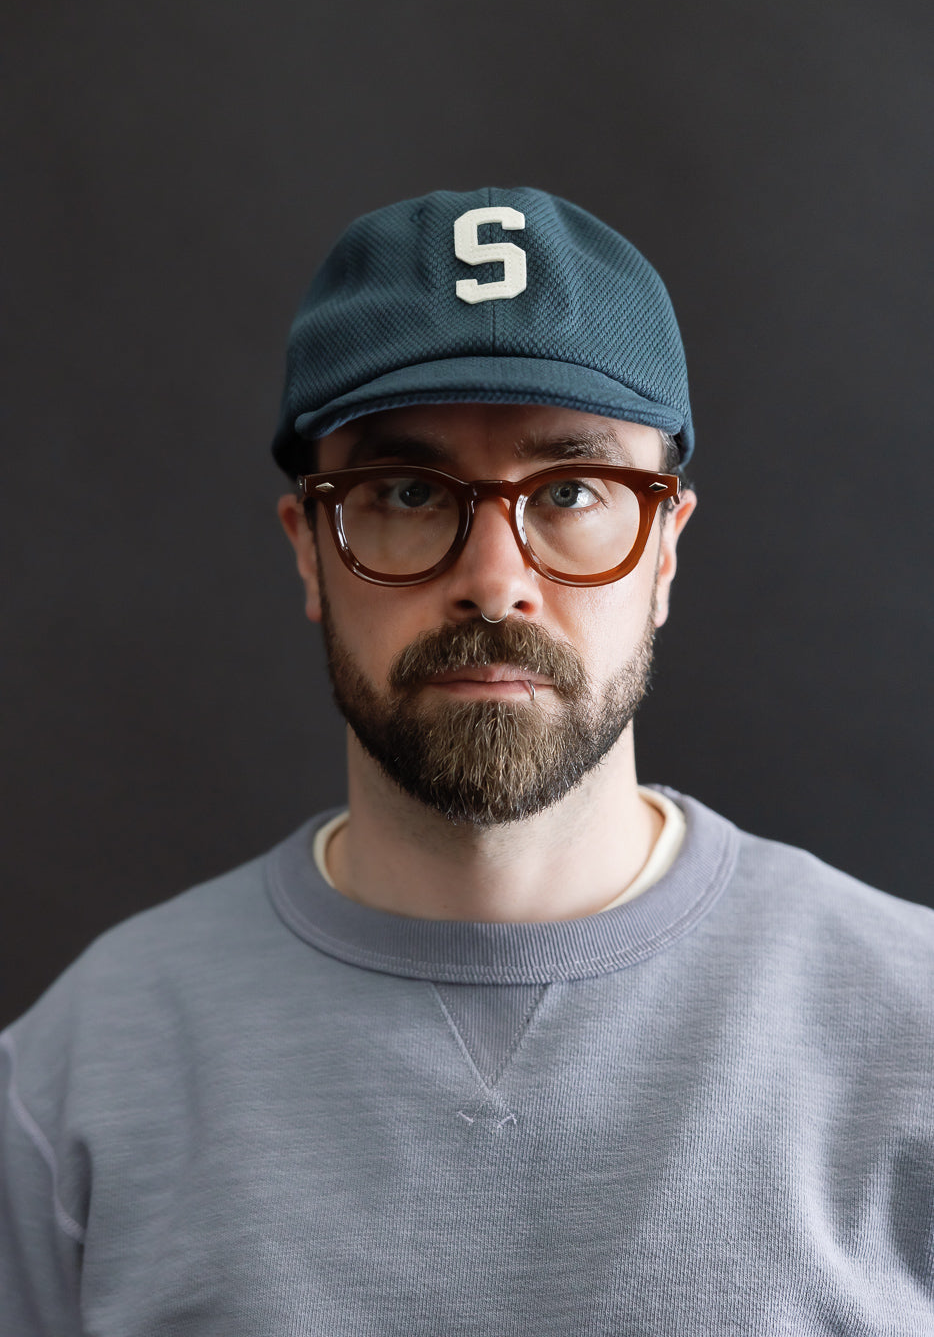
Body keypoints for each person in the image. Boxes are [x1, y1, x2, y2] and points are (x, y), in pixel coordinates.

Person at [1, 187, 931, 1335]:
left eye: (574, 490)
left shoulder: (913, 1035)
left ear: (666, 550)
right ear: (310, 550)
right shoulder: (66, 1090)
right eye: (404, 492)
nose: (493, 578)